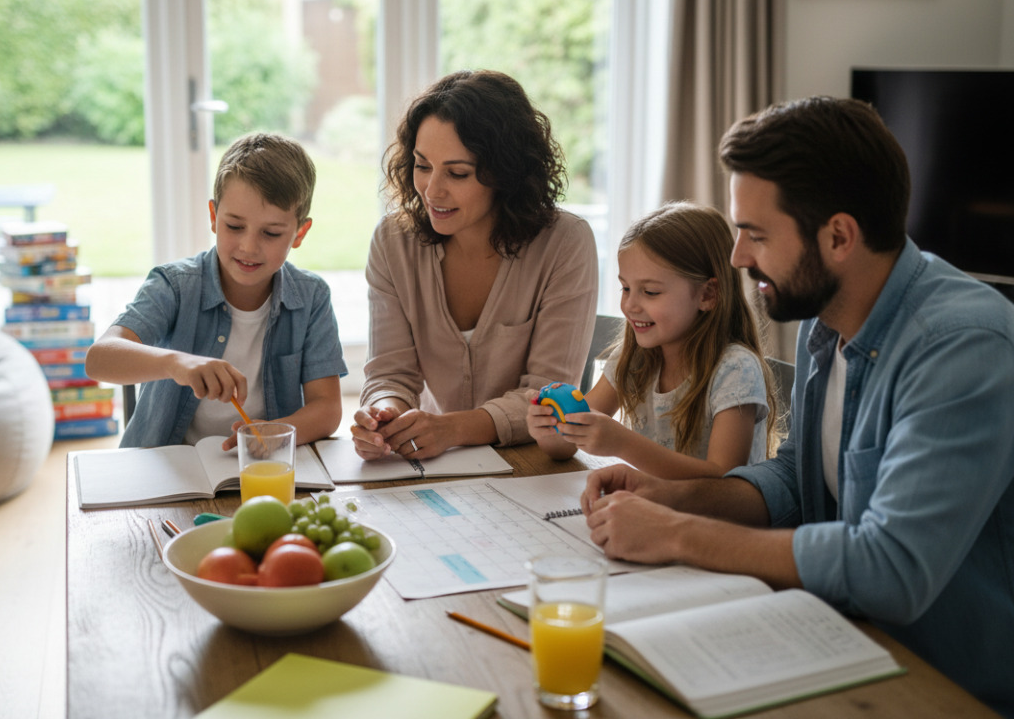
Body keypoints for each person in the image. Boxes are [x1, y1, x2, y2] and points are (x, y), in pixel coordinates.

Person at [581, 96, 1014, 714]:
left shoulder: (962, 346)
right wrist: (666, 495)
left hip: (943, 684)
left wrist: (678, 532)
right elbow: (793, 481)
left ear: (838, 236)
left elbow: (889, 568)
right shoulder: (825, 324)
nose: (736, 258)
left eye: (755, 234)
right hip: (837, 639)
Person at [351, 69, 598, 461]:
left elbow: (547, 394)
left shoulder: (566, 243)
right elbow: (390, 373)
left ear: (505, 173)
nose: (432, 191)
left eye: (458, 172)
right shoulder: (393, 242)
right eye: (422, 165)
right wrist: (384, 413)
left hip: (532, 464)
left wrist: (453, 428)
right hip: (433, 462)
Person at [85, 132, 347, 450]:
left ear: (299, 233)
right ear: (213, 217)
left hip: (260, 466)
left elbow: (327, 409)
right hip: (169, 470)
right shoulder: (175, 285)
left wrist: (277, 433)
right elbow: (99, 359)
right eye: (234, 226)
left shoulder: (312, 298)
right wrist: (177, 364)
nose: (249, 247)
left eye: (271, 233)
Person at [528, 202, 776, 476]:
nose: (630, 305)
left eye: (650, 292)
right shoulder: (633, 358)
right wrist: (550, 432)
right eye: (626, 288)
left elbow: (724, 482)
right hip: (653, 510)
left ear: (707, 295)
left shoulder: (735, 370)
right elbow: (569, 443)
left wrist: (623, 444)